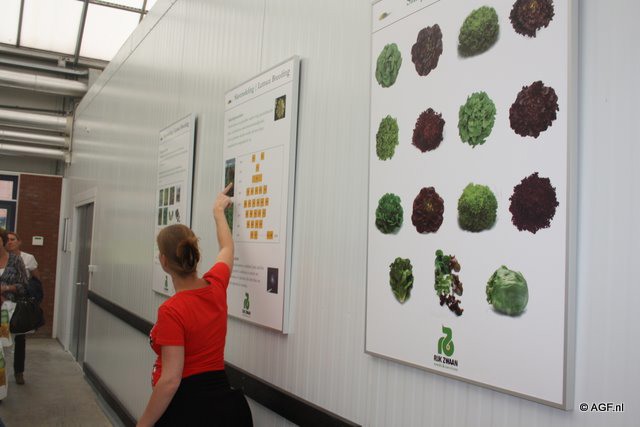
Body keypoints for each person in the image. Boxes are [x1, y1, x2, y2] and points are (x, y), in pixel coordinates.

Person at [137, 184, 252, 427]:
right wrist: (218, 211)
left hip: (187, 408)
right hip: (222, 404)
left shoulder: (171, 311)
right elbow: (227, 248)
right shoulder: (216, 286)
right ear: (194, 254)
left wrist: (143, 424)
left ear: (164, 261)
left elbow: (170, 380)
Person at [5, 232, 39, 385]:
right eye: (7, 240)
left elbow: (36, 280)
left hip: (19, 303)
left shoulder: (28, 258)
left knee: (19, 338)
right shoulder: (3, 257)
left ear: (19, 242)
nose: (10, 242)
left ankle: (19, 372)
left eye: (13, 239)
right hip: (4, 302)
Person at [0, 228, 28, 386]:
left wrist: (6, 288)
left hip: (8, 310)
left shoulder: (16, 260)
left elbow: (24, 285)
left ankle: (6, 382)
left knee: (4, 348)